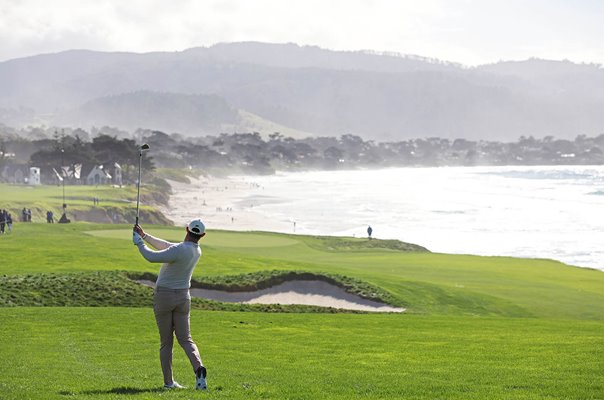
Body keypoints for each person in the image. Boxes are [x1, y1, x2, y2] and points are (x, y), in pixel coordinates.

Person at [133, 219, 208, 391]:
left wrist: (139, 243)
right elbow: (167, 246)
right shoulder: (196, 250)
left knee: (166, 342)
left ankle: (168, 383)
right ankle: (199, 369)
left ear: (186, 229)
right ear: (202, 235)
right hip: (183, 298)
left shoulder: (178, 249)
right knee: (186, 339)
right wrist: (144, 235)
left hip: (164, 297)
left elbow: (152, 257)